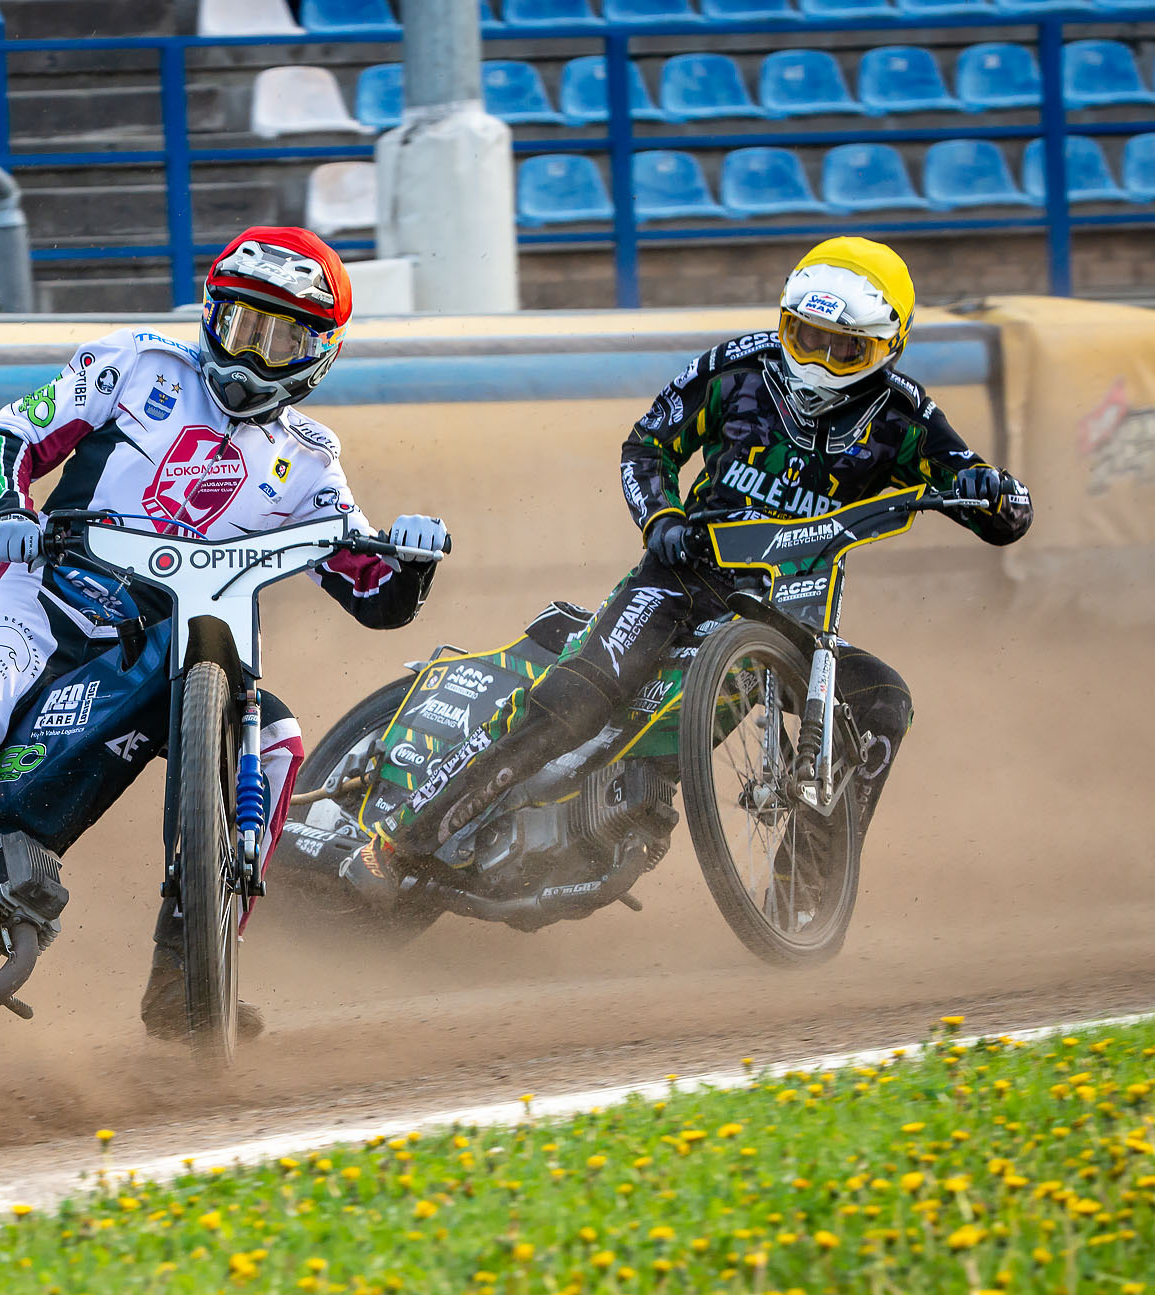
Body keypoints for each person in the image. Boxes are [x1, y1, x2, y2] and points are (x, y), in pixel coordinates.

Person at [0, 225, 452, 1040]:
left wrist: (410, 558)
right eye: (244, 326)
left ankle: (186, 983)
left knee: (278, 736)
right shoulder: (138, 364)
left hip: (174, 651)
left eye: (284, 340)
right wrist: (4, 512)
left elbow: (372, 593)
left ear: (320, 356)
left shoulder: (312, 457)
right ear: (212, 313)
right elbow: (3, 441)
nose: (254, 356)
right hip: (42, 606)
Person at [343, 236, 1032, 904]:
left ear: (889, 346)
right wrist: (661, 519)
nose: (819, 360)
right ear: (783, 323)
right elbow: (648, 445)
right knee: (576, 702)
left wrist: (996, 496)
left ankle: (804, 896)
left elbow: (991, 504)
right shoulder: (737, 369)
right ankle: (400, 841)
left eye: (844, 347)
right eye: (804, 337)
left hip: (794, 605)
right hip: (681, 577)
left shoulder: (908, 418)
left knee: (883, 699)